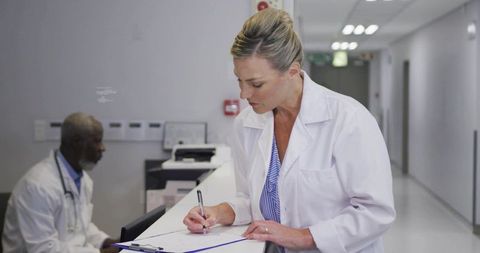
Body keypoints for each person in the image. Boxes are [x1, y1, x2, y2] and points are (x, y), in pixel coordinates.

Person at [183, 8, 395, 253]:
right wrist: (218, 212)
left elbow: (376, 212)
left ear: (292, 72)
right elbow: (252, 200)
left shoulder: (349, 119)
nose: (244, 94)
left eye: (256, 84)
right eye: (239, 81)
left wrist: (303, 236)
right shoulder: (246, 124)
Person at [2, 112, 118, 253]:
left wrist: (108, 242)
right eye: (97, 141)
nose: (102, 148)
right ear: (76, 142)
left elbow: (80, 227)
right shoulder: (37, 186)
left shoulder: (82, 179)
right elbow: (43, 249)